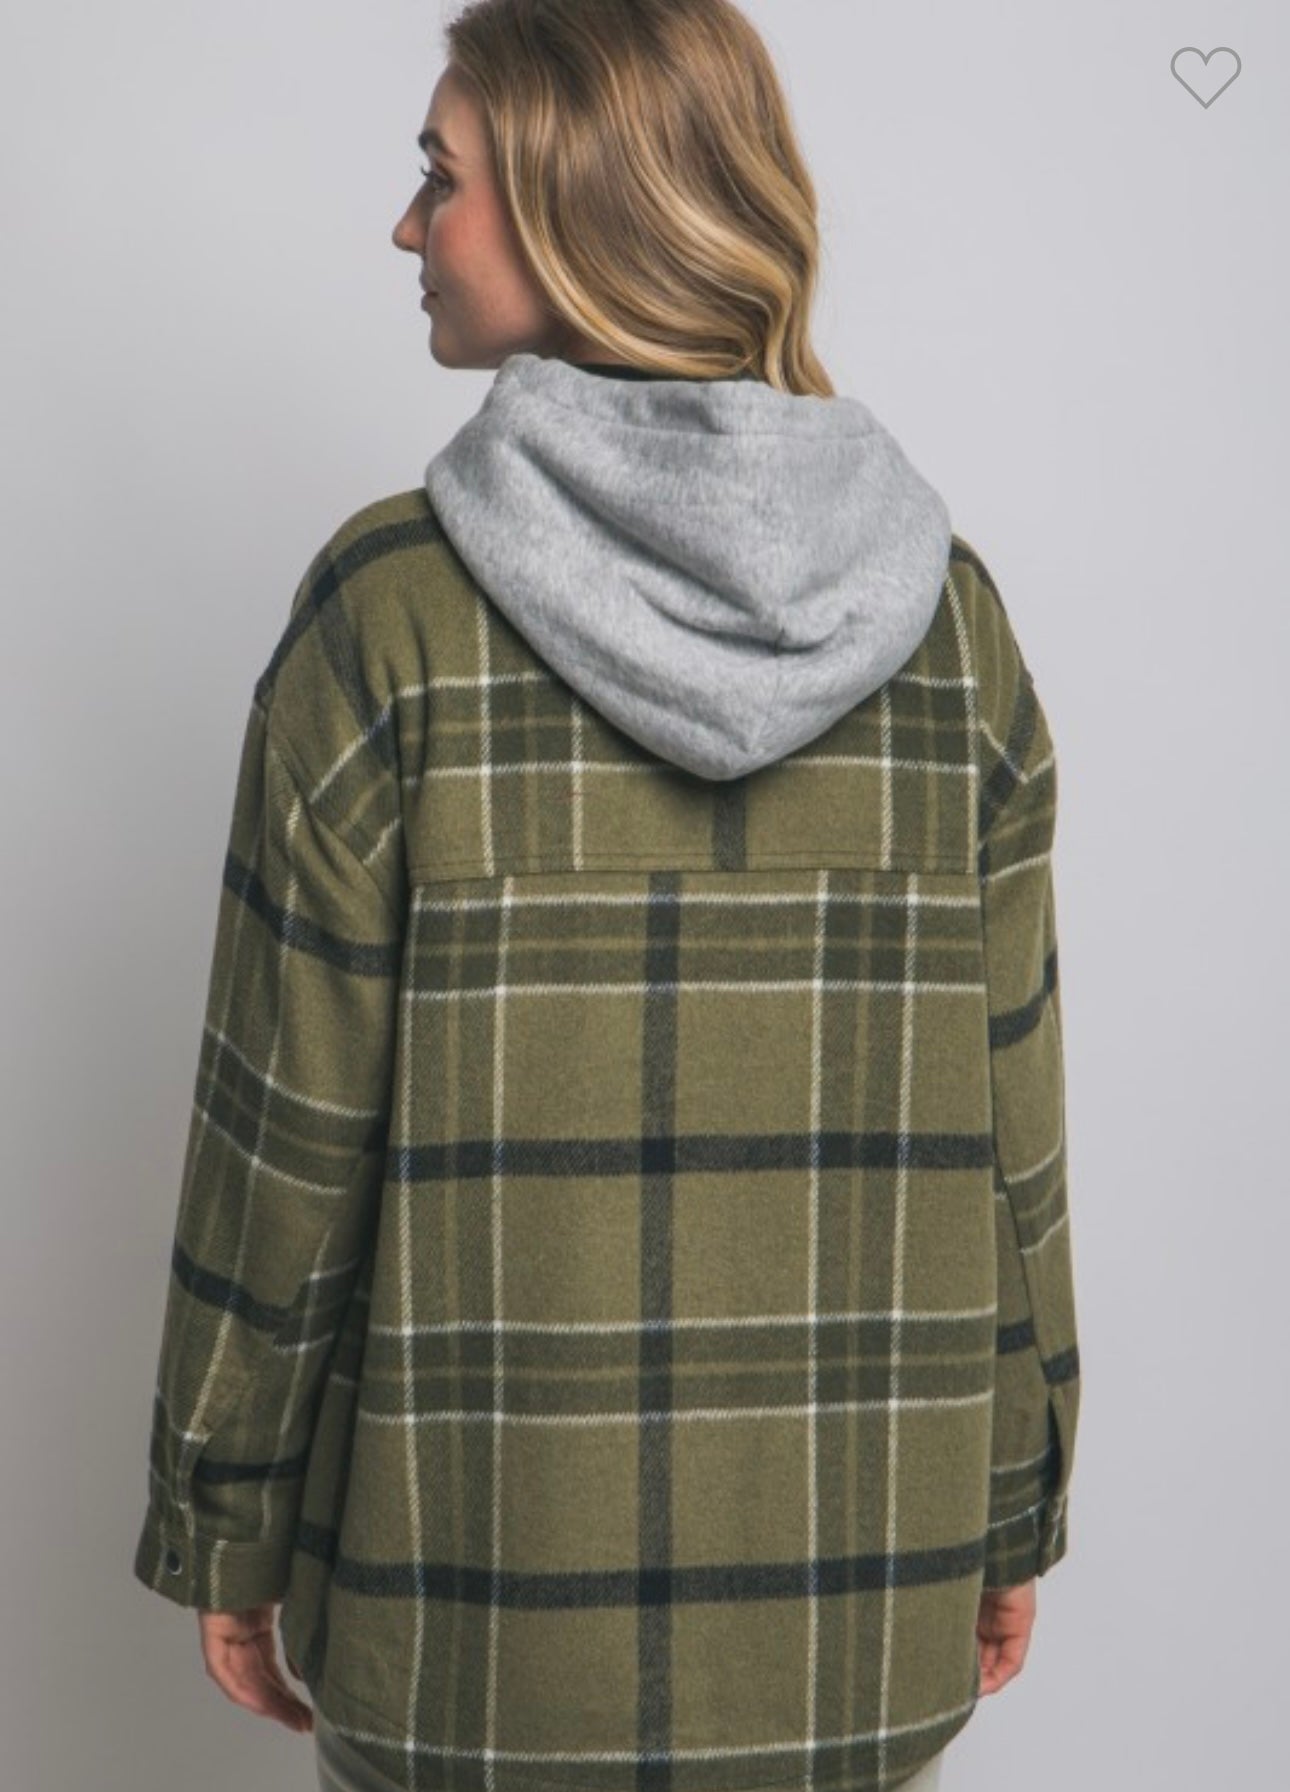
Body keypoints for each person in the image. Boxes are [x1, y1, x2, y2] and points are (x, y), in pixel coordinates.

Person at [130, 4, 1081, 1791]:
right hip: (859, 1623)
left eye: (440, 178)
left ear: (583, 202)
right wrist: (1012, 1496)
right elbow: (1011, 1137)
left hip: (466, 1645)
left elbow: (283, 1144)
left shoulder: (389, 620)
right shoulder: (949, 632)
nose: (406, 227)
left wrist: (223, 1519)